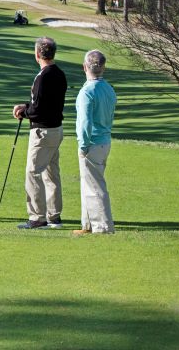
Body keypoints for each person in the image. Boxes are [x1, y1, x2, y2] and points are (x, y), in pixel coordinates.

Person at [12, 37, 68, 230]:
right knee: (51, 173)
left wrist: (24, 112)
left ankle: (37, 217)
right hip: (56, 130)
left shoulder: (42, 77)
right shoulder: (59, 74)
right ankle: (54, 215)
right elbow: (43, 104)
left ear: (37, 54)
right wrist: (26, 107)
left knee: (33, 172)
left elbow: (38, 109)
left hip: (43, 131)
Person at [74, 50, 118, 235]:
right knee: (88, 183)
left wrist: (83, 145)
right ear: (103, 68)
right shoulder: (108, 88)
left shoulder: (87, 91)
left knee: (95, 185)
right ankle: (88, 224)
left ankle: (103, 226)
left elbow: (85, 122)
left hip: (92, 142)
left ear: (85, 67)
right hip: (104, 141)